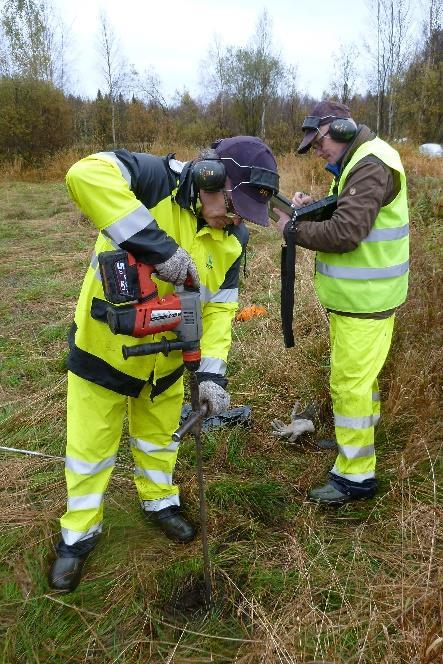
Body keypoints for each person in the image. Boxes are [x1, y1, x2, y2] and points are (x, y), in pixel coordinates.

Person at [49, 136, 279, 591]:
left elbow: (219, 309)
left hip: (169, 362)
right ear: (212, 178)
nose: (234, 220)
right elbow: (83, 174)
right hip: (106, 351)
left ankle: (158, 501)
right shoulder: (155, 180)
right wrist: (159, 249)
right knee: (90, 449)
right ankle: (78, 535)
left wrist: (213, 373)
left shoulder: (234, 238)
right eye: (234, 207)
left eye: (243, 216)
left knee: (159, 440)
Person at [272, 100, 409, 505]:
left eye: (318, 143)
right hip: (359, 299)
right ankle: (357, 439)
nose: (317, 151)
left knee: (349, 384)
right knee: (358, 380)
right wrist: (307, 210)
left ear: (342, 129)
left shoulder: (369, 164)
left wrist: (293, 231)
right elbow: (343, 211)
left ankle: (355, 477)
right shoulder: (358, 161)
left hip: (365, 301)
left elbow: (347, 232)